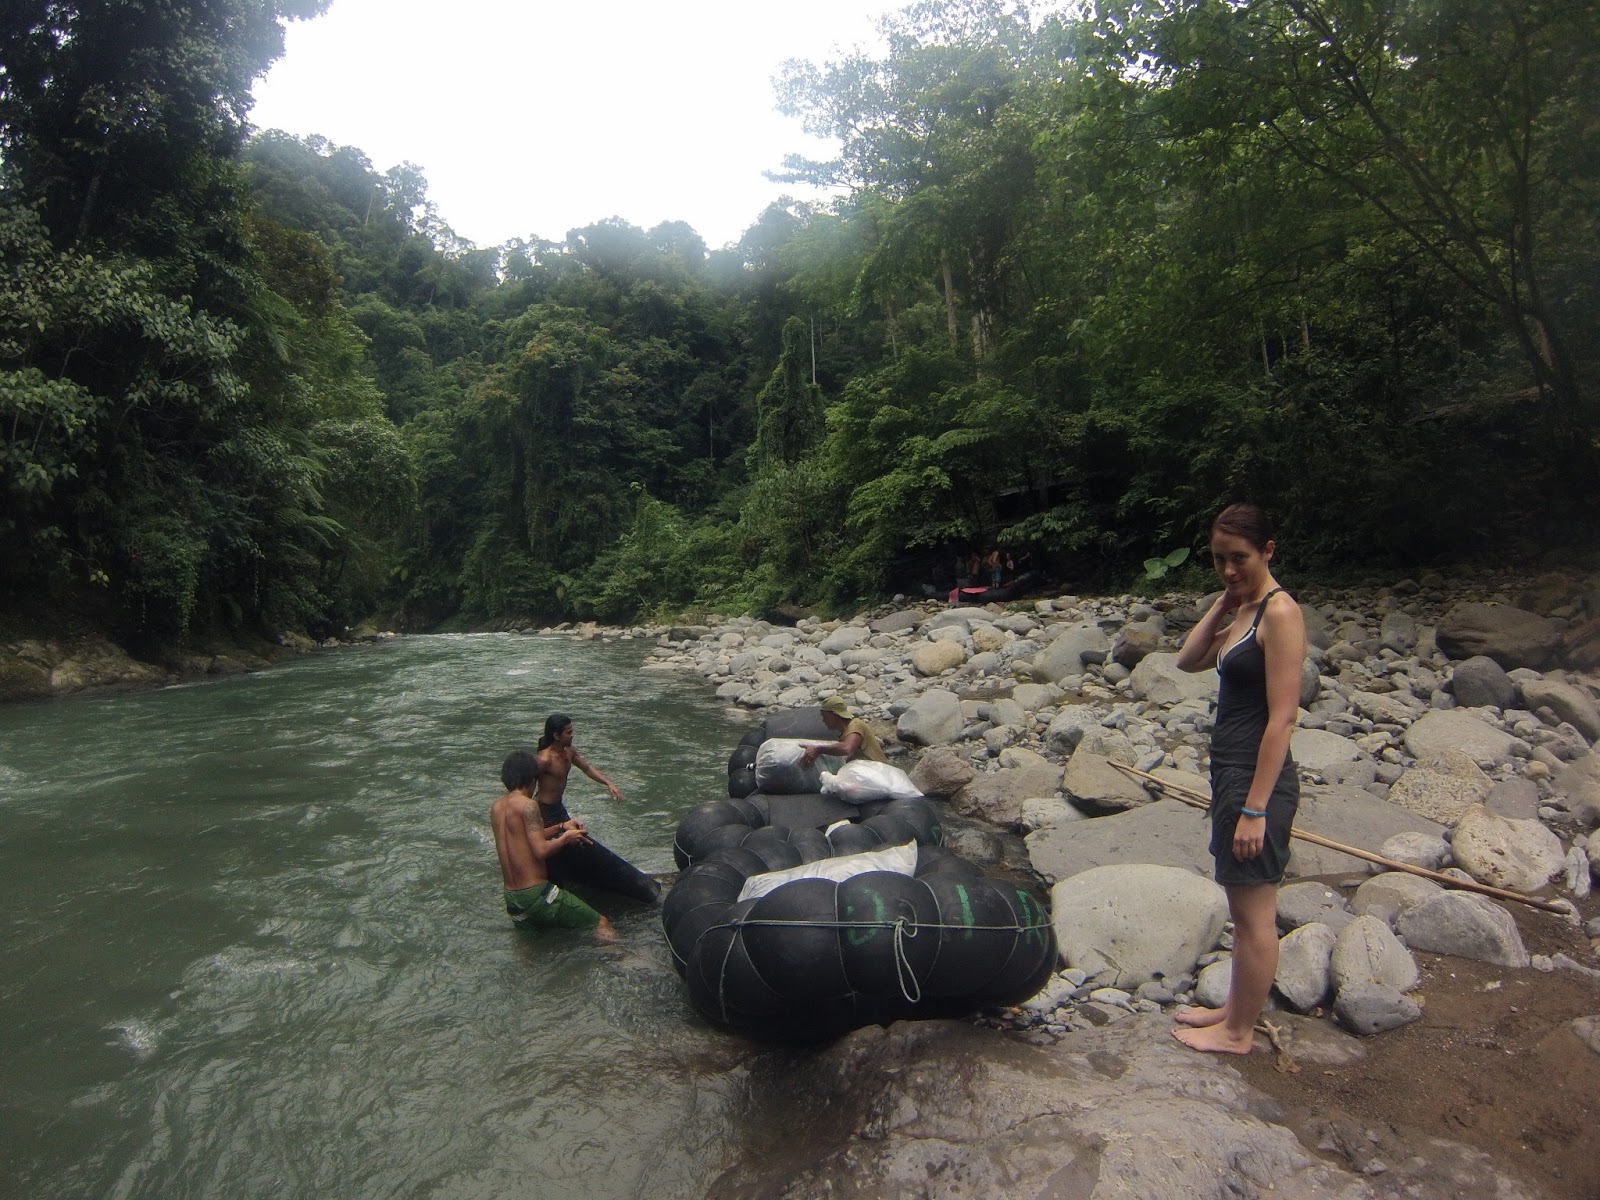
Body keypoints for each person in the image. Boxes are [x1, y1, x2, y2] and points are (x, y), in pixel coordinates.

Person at [1171, 503, 1306, 1055]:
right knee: (1240, 907)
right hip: (1231, 774)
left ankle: (1239, 1032)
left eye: (1240, 559)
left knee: (1255, 919)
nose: (1229, 569)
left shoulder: (1280, 613)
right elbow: (1187, 660)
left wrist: (1255, 808)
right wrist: (1225, 602)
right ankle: (1234, 1007)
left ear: (1269, 550)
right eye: (1219, 559)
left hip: (1257, 781)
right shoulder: (1246, 608)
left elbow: (1284, 717)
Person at [534, 713, 660, 904]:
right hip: (544, 811)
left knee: (578, 842)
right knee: (557, 849)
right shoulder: (544, 760)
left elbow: (586, 768)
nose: (573, 735)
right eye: (569, 732)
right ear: (556, 735)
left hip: (559, 809)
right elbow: (527, 787)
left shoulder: (569, 752)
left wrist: (608, 783)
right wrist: (529, 817)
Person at [490, 749, 614, 937]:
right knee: (600, 923)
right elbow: (540, 850)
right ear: (532, 779)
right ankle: (626, 963)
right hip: (537, 894)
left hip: (513, 899)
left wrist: (561, 827)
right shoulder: (528, 805)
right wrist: (567, 838)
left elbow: (527, 838)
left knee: (531, 950)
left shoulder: (497, 807)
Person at [798, 696, 890, 767]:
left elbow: (847, 749)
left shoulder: (856, 724)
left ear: (834, 715)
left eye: (825, 716)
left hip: (880, 772)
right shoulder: (843, 735)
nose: (823, 720)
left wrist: (818, 750)